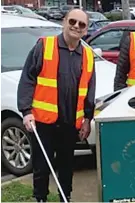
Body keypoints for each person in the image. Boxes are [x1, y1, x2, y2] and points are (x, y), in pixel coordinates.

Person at [17, 9, 95, 202]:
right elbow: (28, 79)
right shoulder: (45, 46)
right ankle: (40, 197)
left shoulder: (87, 55)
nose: (76, 26)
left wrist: (87, 119)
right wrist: (26, 111)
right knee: (42, 165)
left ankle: (65, 196)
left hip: (70, 123)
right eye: (73, 21)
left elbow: (89, 90)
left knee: (67, 164)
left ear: (85, 31)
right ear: (64, 22)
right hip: (43, 122)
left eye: (81, 24)